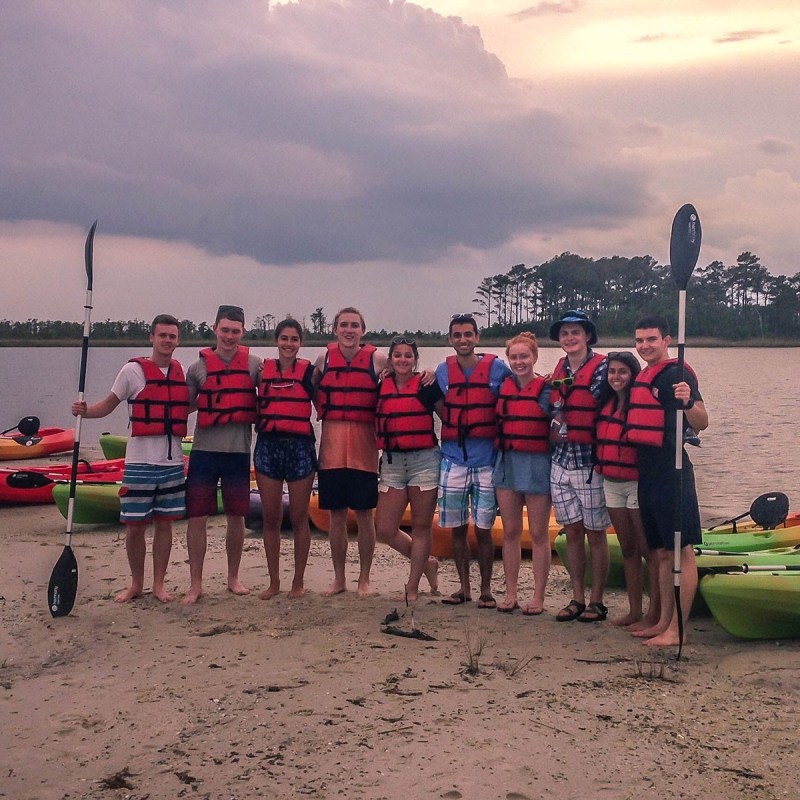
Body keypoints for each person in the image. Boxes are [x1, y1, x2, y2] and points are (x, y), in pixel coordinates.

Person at [71, 314, 189, 603]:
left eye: (172, 336)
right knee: (135, 526)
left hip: (172, 464)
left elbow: (186, 407)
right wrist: (85, 412)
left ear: (178, 340)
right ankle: (136, 583)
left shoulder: (180, 371)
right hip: (139, 463)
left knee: (165, 525)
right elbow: (108, 405)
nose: (167, 341)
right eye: (162, 335)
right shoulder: (131, 372)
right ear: (152, 337)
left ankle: (159, 584)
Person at [627, 315, 708, 647]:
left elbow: (702, 423)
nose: (645, 346)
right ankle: (661, 621)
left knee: (681, 551)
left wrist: (688, 401)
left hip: (674, 471)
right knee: (659, 552)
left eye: (651, 340)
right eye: (640, 340)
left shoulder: (679, 372)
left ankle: (678, 629)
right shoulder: (645, 375)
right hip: (648, 473)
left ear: (667, 340)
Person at [183, 305, 262, 604]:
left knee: (236, 518)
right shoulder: (197, 368)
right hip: (204, 452)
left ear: (243, 332)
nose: (229, 336)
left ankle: (233, 578)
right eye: (224, 330)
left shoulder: (255, 365)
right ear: (215, 328)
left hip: (237, 453)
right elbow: (185, 405)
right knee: (197, 518)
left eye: (235, 331)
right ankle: (195, 584)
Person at [436, 312, 512, 608]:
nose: (463, 339)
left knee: (483, 529)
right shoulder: (442, 372)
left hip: (486, 462)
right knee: (456, 528)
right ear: (450, 340)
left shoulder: (498, 370)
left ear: (477, 337)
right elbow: (436, 402)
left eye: (468, 334)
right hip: (453, 460)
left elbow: (518, 390)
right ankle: (464, 588)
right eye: (457, 335)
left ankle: (486, 590)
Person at [312, 307, 387, 597]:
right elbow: (312, 387)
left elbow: (405, 372)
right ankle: (339, 578)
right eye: (343, 325)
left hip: (364, 450)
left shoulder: (378, 359)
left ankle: (364, 578)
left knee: (365, 515)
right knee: (336, 516)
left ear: (363, 330)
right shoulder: (324, 358)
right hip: (331, 449)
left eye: (354, 325)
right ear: (335, 330)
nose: (349, 330)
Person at [548, 310, 611, 623]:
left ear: (587, 336)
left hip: (590, 463)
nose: (569, 338)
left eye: (575, 332)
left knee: (596, 533)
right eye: (564, 333)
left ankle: (597, 601)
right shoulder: (558, 368)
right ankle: (576, 597)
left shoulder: (602, 369)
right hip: (560, 461)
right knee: (572, 532)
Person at [374, 336, 443, 602]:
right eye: (398, 355)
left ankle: (412, 586)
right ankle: (427, 564)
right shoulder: (381, 385)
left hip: (424, 462)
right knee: (385, 528)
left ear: (415, 360)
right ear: (390, 359)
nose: (403, 360)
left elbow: (448, 416)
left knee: (421, 526)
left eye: (408, 356)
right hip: (392, 463)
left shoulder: (427, 385)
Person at [595, 351, 660, 629]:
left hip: (636, 483)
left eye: (622, 371)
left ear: (632, 374)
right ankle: (634, 611)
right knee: (628, 548)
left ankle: (654, 613)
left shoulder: (640, 405)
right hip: (611, 483)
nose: (616, 377)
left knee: (648, 549)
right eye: (612, 372)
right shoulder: (605, 404)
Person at [254, 318, 317, 599]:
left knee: (300, 517)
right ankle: (274, 581)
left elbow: (326, 407)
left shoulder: (310, 373)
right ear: (276, 340)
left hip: (300, 449)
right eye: (284, 339)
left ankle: (298, 582)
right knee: (270, 518)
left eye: (294, 339)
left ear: (300, 343)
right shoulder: (260, 372)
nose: (289, 344)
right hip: (268, 447)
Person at [493, 332, 553, 614]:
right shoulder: (502, 386)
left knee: (539, 533)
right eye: (514, 357)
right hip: (507, 463)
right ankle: (511, 593)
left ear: (534, 357)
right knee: (511, 531)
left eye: (524, 357)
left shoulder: (546, 389)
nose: (519, 362)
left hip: (537, 464)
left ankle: (538, 597)